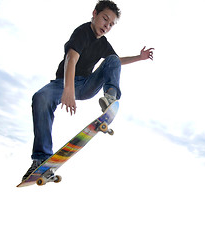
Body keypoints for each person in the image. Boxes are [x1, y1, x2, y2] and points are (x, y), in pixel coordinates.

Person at [22, 0, 154, 180]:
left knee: (112, 59)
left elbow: (116, 63)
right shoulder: (82, 32)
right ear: (94, 14)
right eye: (104, 19)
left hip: (86, 85)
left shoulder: (104, 43)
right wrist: (68, 89)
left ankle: (110, 98)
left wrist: (139, 57)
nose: (106, 26)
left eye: (110, 24)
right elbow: (71, 59)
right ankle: (40, 159)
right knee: (40, 98)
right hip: (62, 83)